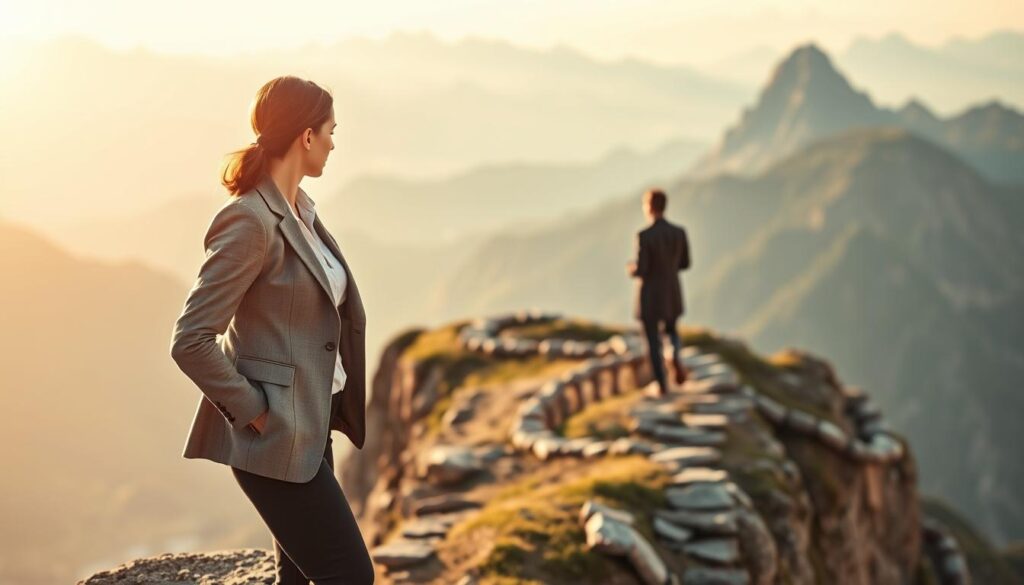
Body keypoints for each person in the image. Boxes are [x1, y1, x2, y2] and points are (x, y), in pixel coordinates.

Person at [169, 76, 374, 584]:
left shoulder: (301, 211)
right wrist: (256, 413)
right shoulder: (249, 222)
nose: (333, 142)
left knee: (299, 579)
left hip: (313, 425)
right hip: (276, 436)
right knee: (350, 575)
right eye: (330, 130)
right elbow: (191, 339)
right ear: (307, 137)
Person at [626, 188, 692, 396]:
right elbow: (685, 263)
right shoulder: (679, 233)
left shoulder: (644, 236)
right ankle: (673, 353)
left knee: (652, 341)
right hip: (672, 292)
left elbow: (643, 269)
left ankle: (662, 385)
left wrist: (632, 269)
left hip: (650, 296)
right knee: (672, 330)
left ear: (650, 207)